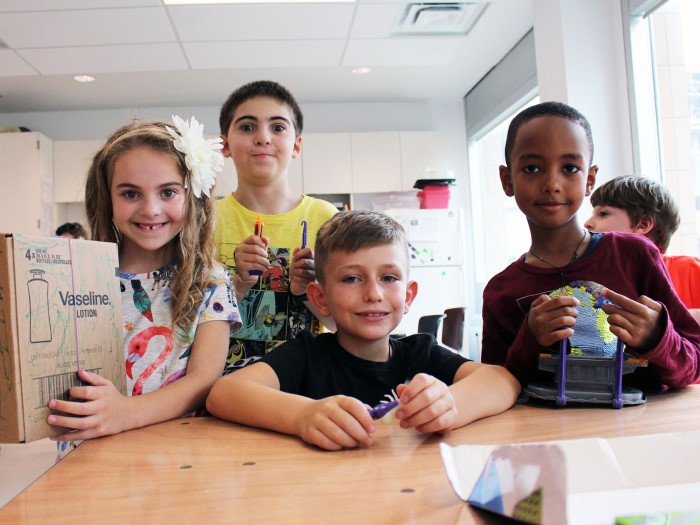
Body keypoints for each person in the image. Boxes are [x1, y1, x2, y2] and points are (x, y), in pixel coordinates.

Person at [207, 210, 521, 451]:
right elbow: (224, 394)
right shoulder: (306, 355)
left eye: (388, 278)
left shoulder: (421, 353)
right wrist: (302, 416)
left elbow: (502, 381)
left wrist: (451, 405)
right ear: (320, 298)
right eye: (352, 279)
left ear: (408, 296)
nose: (374, 294)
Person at [480, 101, 700, 392]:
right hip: (552, 436)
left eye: (570, 168)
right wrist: (529, 339)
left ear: (590, 180)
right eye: (532, 168)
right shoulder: (501, 291)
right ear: (507, 180)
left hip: (640, 433)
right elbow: (489, 391)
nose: (552, 183)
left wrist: (657, 339)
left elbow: (692, 364)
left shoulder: (635, 255)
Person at [48, 117, 241, 445]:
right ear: (107, 198)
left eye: (167, 192)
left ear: (192, 196)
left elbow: (203, 380)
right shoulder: (78, 277)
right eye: (130, 194)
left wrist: (125, 412)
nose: (150, 209)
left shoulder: (211, 282)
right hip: (88, 455)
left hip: (175, 459)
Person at [214, 80, 338, 374]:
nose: (263, 138)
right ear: (225, 145)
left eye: (278, 127)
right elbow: (186, 326)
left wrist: (306, 292)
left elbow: (338, 323)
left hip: (303, 386)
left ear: (296, 145)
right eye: (247, 127)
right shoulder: (206, 221)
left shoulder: (327, 220)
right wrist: (238, 285)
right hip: (225, 389)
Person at [584, 175, 700, 322]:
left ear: (643, 224)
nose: (587, 223)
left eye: (603, 214)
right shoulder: (594, 280)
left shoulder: (689, 270)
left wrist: (678, 320)